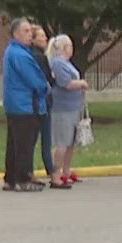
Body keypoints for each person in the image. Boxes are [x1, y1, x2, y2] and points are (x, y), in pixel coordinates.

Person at [0, 18, 48, 192]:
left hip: (15, 104)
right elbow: (34, 79)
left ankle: (10, 178)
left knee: (14, 143)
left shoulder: (12, 51)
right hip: (25, 104)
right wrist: (45, 87)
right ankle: (23, 178)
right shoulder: (20, 54)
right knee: (24, 144)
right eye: (26, 31)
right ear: (16, 34)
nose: (30, 34)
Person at [48, 34, 89, 187]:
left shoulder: (66, 63)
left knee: (71, 141)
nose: (72, 48)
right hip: (62, 108)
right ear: (64, 48)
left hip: (73, 106)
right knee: (62, 142)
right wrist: (81, 83)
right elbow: (65, 83)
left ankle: (66, 170)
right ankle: (56, 172)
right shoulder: (57, 63)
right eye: (70, 45)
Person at [31, 26, 58, 184]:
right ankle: (52, 172)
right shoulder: (40, 57)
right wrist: (52, 78)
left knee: (34, 139)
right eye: (41, 36)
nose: (45, 39)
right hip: (42, 102)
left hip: (36, 102)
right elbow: (49, 79)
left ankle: (32, 170)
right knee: (45, 139)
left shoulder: (31, 55)